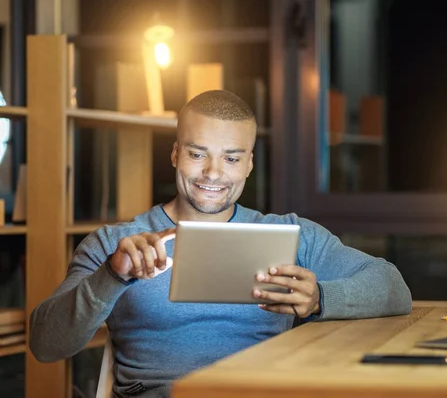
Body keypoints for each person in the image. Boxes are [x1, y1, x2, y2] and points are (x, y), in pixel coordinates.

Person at [29, 90, 412, 397]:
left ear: (249, 163)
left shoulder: (292, 235)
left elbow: (393, 287)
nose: (213, 173)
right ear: (176, 154)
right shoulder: (116, 244)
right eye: (198, 154)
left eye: (231, 158)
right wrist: (110, 277)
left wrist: (319, 299)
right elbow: (46, 345)